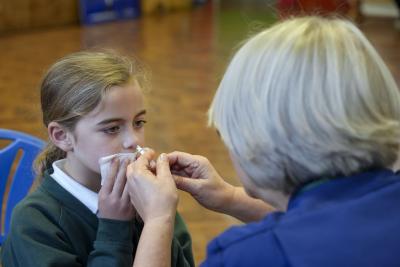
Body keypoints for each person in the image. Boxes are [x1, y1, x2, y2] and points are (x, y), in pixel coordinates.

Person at [126, 16, 400, 267]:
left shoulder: (249, 256)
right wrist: (230, 197)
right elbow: (335, 224)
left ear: (255, 143)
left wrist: (158, 221)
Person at [0, 51, 194, 267]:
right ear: (62, 136)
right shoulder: (35, 224)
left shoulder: (148, 195)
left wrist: (155, 218)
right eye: (112, 128)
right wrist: (114, 227)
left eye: (138, 123)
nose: (133, 141)